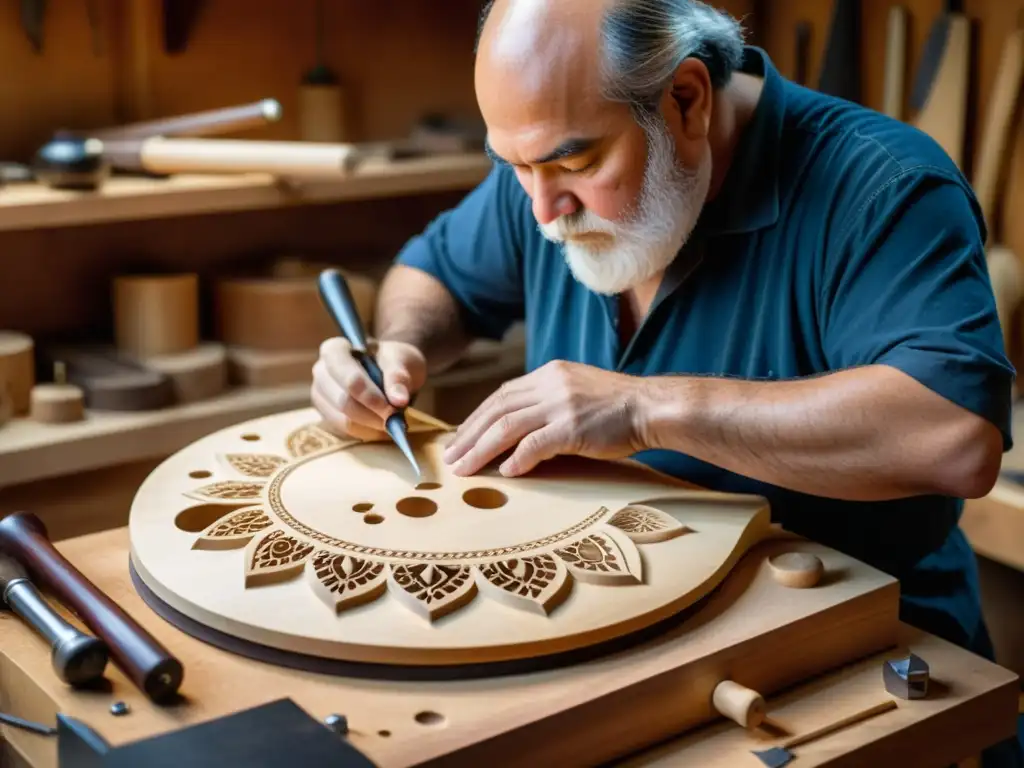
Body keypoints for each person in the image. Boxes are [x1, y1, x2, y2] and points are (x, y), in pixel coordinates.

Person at [314, 1, 1020, 762]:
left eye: (577, 166)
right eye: (514, 168)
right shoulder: (546, 166)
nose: (544, 211)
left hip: (852, 666)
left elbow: (953, 433)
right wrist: (395, 348)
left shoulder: (882, 185)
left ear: (685, 99)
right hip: (616, 642)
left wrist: (646, 407)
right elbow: (435, 274)